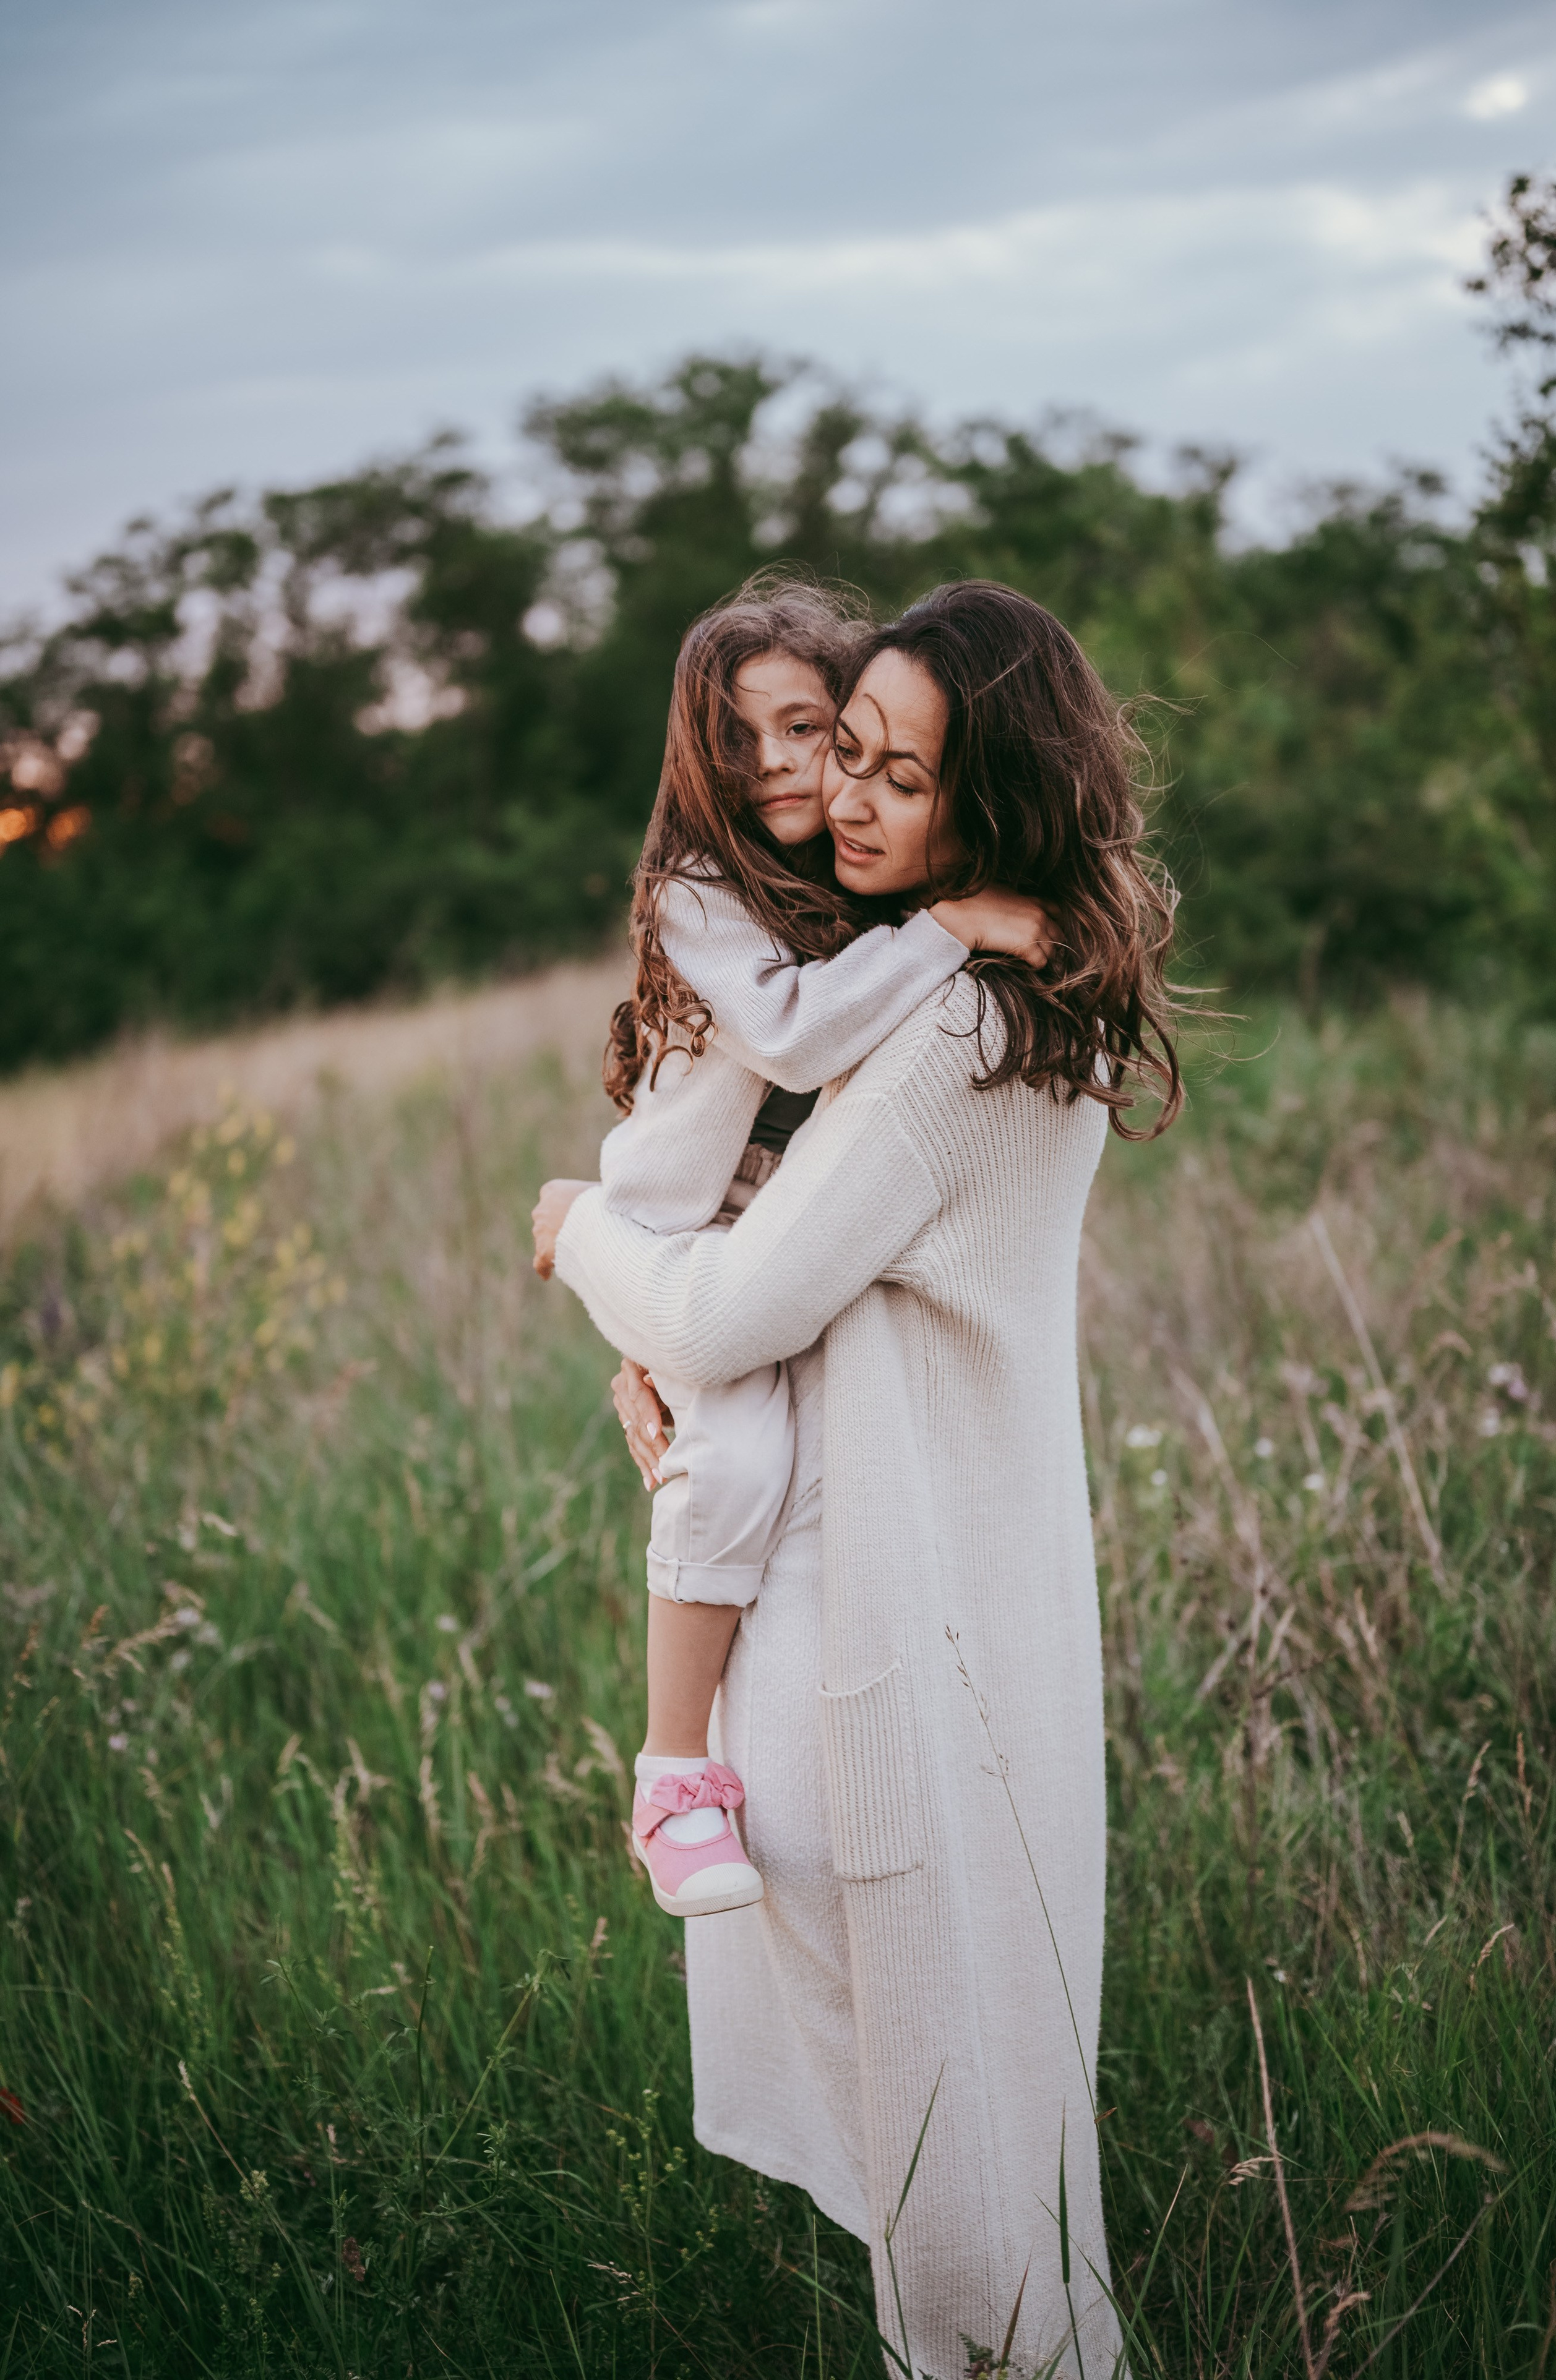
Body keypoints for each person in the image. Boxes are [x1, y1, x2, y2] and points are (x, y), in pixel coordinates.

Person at [539, 578, 1180, 2374]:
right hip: (988, 1588)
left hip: (882, 1618)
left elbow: (739, 1301)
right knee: (991, 2086)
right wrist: (665, 1346)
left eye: (904, 769)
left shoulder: (946, 1035)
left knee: (948, 2140)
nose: (859, 801)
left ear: (1008, 790)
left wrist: (583, 1231)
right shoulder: (1041, 994)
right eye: (857, 757)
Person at [532, 575, 1055, 1922]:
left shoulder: (851, 867)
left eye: (805, 728)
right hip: (675, 1223)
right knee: (734, 1460)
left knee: (756, 1450)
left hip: (759, 1225)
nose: (777, 763)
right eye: (736, 740)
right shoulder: (701, 891)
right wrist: (952, 924)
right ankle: (669, 1775)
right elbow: (804, 1038)